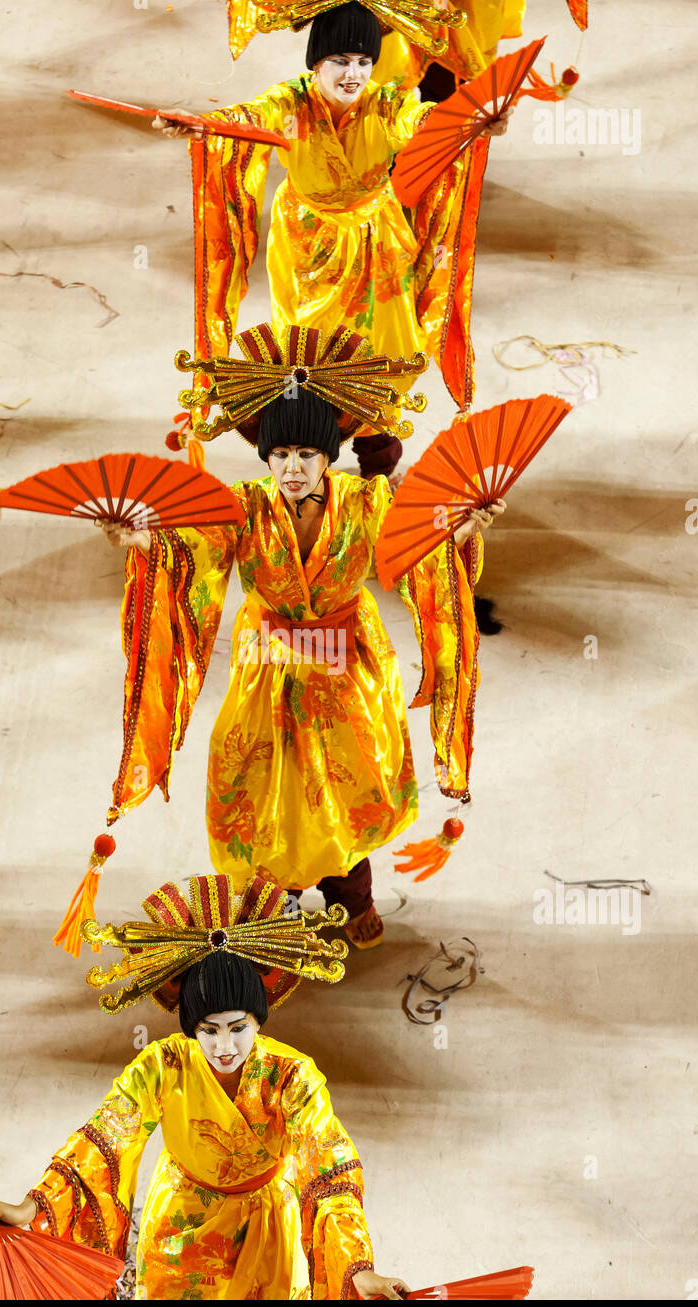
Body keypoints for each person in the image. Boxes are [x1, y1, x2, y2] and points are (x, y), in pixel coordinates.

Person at [92, 324, 504, 950]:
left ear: (327, 459)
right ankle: (275, 897)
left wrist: (469, 528)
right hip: (271, 660)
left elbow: (425, 547)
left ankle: (351, 893)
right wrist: (145, 543)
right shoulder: (242, 505)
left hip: (349, 661)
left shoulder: (368, 503)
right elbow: (196, 548)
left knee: (345, 781)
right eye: (280, 455)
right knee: (265, 785)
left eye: (306, 456)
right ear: (266, 458)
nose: (291, 468)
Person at [0, 872, 409, 1301]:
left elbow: (329, 1169)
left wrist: (358, 1268)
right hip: (182, 1222)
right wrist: (32, 1207)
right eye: (208, 1029)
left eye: (239, 1027)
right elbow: (103, 1138)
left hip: (267, 1227)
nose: (225, 1047)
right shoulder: (163, 1066)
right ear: (190, 1029)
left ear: (259, 1019)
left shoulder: (292, 1077)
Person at [156, 2, 511, 480]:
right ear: (316, 61)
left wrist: (470, 124)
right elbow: (251, 121)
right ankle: (309, 461)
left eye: (364, 62)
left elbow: (423, 123)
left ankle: (378, 465)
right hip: (308, 247)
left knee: (379, 355)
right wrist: (203, 126)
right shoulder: (291, 105)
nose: (353, 74)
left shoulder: (386, 104)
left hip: (375, 243)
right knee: (310, 357)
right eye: (340, 61)